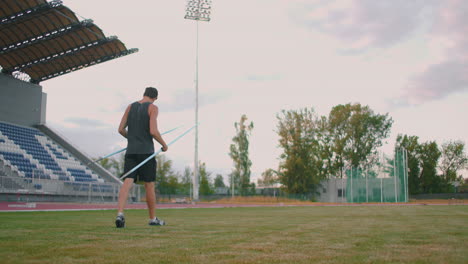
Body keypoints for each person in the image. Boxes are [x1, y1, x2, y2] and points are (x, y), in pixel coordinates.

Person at [115, 87, 168, 228]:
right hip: (146, 152)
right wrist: (164, 145)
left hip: (131, 151)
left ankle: (120, 214)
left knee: (127, 182)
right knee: (149, 185)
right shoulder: (153, 108)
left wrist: (132, 138)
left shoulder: (130, 106)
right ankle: (153, 218)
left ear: (144, 94)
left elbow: (120, 129)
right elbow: (153, 131)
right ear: (155, 97)